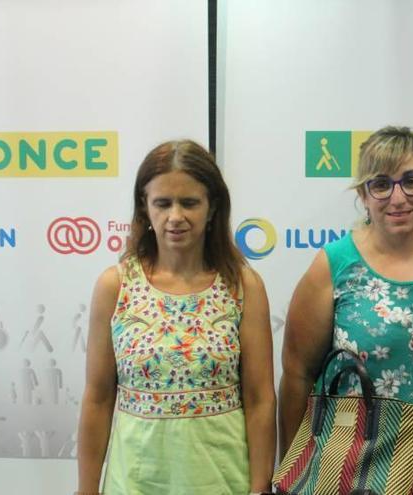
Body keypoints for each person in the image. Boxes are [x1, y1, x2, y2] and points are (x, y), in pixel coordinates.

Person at [279, 126, 413, 494]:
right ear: (364, 194)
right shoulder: (334, 267)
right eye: (381, 184)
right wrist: (292, 464)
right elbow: (297, 373)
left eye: (411, 181)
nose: (398, 197)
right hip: (359, 471)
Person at [76, 140, 276, 495]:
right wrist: (86, 489)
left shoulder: (242, 286)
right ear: (144, 206)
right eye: (163, 203)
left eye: (190, 203)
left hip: (222, 480)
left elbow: (260, 398)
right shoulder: (115, 286)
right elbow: (98, 397)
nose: (175, 216)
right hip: (135, 481)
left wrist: (261, 487)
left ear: (212, 207)